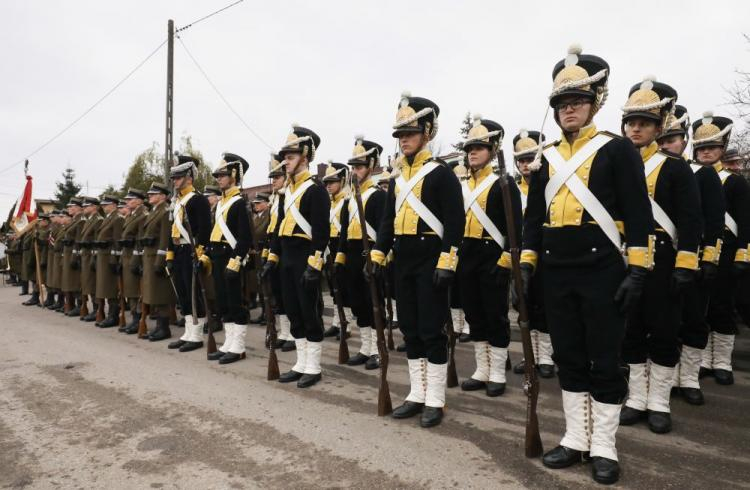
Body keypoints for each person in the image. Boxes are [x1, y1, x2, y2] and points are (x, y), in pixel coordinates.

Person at [521, 45, 654, 484]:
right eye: (561, 104)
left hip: (602, 271)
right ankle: (576, 438)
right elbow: (533, 218)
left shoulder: (616, 150)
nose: (568, 110)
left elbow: (638, 214)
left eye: (576, 101)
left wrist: (638, 270)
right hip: (557, 271)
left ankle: (604, 445)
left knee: (604, 358)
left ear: (595, 102)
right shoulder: (546, 157)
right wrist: (526, 262)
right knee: (570, 357)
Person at [370, 93, 464, 428]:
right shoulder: (397, 178)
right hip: (405, 259)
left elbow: (455, 223)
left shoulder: (440, 173)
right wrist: (378, 254)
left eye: (410, 133)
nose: (404, 140)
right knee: (410, 328)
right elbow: (387, 222)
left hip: (431, 259)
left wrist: (446, 263)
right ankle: (416, 393)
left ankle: (435, 399)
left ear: (427, 132)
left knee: (431, 330)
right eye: (400, 135)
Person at [617, 78, 702, 434]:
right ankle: (637, 398)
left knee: (664, 330)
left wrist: (686, 263)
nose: (636, 129)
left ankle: (659, 401)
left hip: (664, 259)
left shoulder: (674, 167)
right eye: (631, 123)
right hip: (624, 258)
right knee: (631, 330)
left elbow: (691, 220)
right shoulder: (615, 162)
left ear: (658, 127)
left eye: (645, 123)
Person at [658, 106, 725, 405]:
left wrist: (709, 257)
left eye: (671, 139)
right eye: (661, 140)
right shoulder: (650, 170)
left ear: (684, 140)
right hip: (660, 259)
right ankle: (668, 375)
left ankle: (689, 377)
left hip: (692, 257)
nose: (665, 145)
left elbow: (713, 221)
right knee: (666, 321)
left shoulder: (703, 174)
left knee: (694, 319)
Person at [456, 116, 522, 397]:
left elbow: (515, 228)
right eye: (470, 148)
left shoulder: (503, 183)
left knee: (495, 316)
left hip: (492, 255)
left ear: (493, 151)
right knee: (474, 314)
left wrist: (506, 260)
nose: (473, 152)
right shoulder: (462, 186)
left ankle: (496, 372)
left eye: (479, 148)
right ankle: (482, 369)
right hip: (467, 254)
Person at [263, 126, 330, 388]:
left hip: (305, 258)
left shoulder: (315, 190)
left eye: (290, 157)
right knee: (292, 311)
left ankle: (313, 367)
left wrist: (314, 265)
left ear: (305, 156)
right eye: (285, 157)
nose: (285, 162)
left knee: (309, 312)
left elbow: (322, 233)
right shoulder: (286, 193)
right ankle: (301, 363)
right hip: (288, 257)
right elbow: (279, 230)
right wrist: (272, 259)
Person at [692, 113, 750, 385]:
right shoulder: (690, 176)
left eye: (712, 148)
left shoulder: (735, 181)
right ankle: (704, 359)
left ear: (722, 149)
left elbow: (746, 222)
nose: (706, 152)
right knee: (701, 307)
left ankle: (722, 362)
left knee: (722, 306)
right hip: (699, 248)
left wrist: (743, 253)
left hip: (726, 250)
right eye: (702, 147)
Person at [338, 137, 386, 370]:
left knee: (373, 303)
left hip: (371, 254)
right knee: (358, 303)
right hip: (354, 252)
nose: (355, 172)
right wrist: (340, 257)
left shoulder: (378, 196)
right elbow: (345, 232)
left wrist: (379, 257)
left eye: (359, 167)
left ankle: (378, 349)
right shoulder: (349, 200)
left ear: (370, 167)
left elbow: (386, 230)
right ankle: (365, 348)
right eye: (353, 167)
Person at [511, 130, 555, 378]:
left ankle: (546, 357)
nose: (525, 165)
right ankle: (531, 356)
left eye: (529, 159)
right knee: (524, 307)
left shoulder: (549, 185)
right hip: (520, 254)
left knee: (544, 306)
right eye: (522, 161)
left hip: (545, 252)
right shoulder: (511, 189)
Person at [207, 153, 253, 364]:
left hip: (230, 256)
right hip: (217, 255)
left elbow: (245, 237)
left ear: (234, 175)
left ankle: (239, 346)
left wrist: (236, 261)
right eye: (217, 175)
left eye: (223, 175)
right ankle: (228, 342)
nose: (219, 179)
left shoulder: (238, 203)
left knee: (235, 302)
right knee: (223, 301)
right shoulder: (221, 203)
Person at [166, 155, 212, 352]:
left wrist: (200, 255)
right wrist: (169, 255)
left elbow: (205, 231)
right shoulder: (177, 201)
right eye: (174, 178)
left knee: (194, 294)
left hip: (192, 251)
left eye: (178, 177)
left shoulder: (198, 200)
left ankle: (197, 335)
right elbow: (172, 230)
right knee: (183, 293)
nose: (175, 181)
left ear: (189, 177)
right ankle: (188, 332)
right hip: (178, 251)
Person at [261, 155, 295, 350]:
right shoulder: (276, 198)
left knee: (289, 294)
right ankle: (285, 331)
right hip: (276, 249)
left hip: (288, 250)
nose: (274, 181)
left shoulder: (286, 197)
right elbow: (272, 229)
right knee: (279, 295)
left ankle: (292, 333)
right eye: (273, 178)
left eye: (277, 178)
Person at [139, 182, 176, 341]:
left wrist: (160, 261)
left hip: (156, 257)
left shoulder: (166, 212)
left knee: (161, 294)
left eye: (153, 194)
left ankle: (164, 328)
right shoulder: (155, 211)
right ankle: (159, 327)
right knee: (153, 293)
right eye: (150, 194)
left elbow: (165, 239)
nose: (150, 196)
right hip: (149, 256)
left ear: (163, 196)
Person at [322, 161, 352, 340]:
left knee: (344, 288)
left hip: (343, 246)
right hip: (330, 247)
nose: (329, 186)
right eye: (327, 182)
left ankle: (346, 323)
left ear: (342, 180)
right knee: (334, 288)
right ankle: (336, 320)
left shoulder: (347, 201)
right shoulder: (330, 203)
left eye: (332, 181)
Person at [120, 189, 148, 334]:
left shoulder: (142, 216)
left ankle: (138, 319)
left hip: (135, 257)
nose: (127, 202)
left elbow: (140, 241)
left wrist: (136, 260)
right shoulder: (131, 215)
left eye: (130, 199)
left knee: (137, 291)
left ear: (139, 201)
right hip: (127, 255)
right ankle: (134, 318)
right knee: (130, 289)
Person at [94, 195, 124, 328]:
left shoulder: (117, 219)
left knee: (111, 287)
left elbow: (117, 241)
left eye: (106, 205)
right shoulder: (109, 218)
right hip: (102, 255)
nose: (104, 207)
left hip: (109, 256)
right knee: (104, 286)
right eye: (103, 205)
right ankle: (109, 314)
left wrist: (114, 259)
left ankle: (114, 315)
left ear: (114, 204)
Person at [78, 196, 103, 322]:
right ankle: (95, 309)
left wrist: (94, 255)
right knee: (88, 283)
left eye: (86, 206)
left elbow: (97, 239)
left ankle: (99, 310)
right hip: (86, 255)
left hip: (92, 255)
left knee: (93, 283)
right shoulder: (89, 220)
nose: (84, 208)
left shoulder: (98, 220)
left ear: (94, 207)